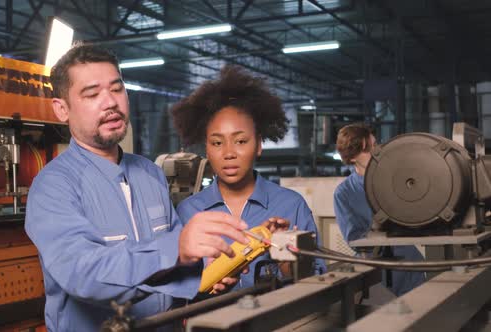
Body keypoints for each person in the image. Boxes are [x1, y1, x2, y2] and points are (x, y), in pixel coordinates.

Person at [24, 44, 251, 331]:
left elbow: (175, 261)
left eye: (117, 89)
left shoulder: (149, 173)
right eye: (92, 94)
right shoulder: (53, 187)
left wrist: (205, 269)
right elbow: (83, 273)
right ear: (61, 109)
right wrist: (176, 250)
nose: (110, 103)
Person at [171, 65, 325, 290]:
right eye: (217, 143)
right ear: (206, 149)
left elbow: (315, 280)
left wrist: (286, 260)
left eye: (241, 141)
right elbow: (176, 286)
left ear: (259, 145)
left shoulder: (291, 206)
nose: (229, 153)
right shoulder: (189, 213)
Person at [334, 123, 425, 296]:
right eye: (370, 148)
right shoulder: (344, 193)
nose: (377, 151)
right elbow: (354, 239)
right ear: (353, 157)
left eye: (376, 144)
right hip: (377, 272)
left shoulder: (395, 180)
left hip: (410, 264)